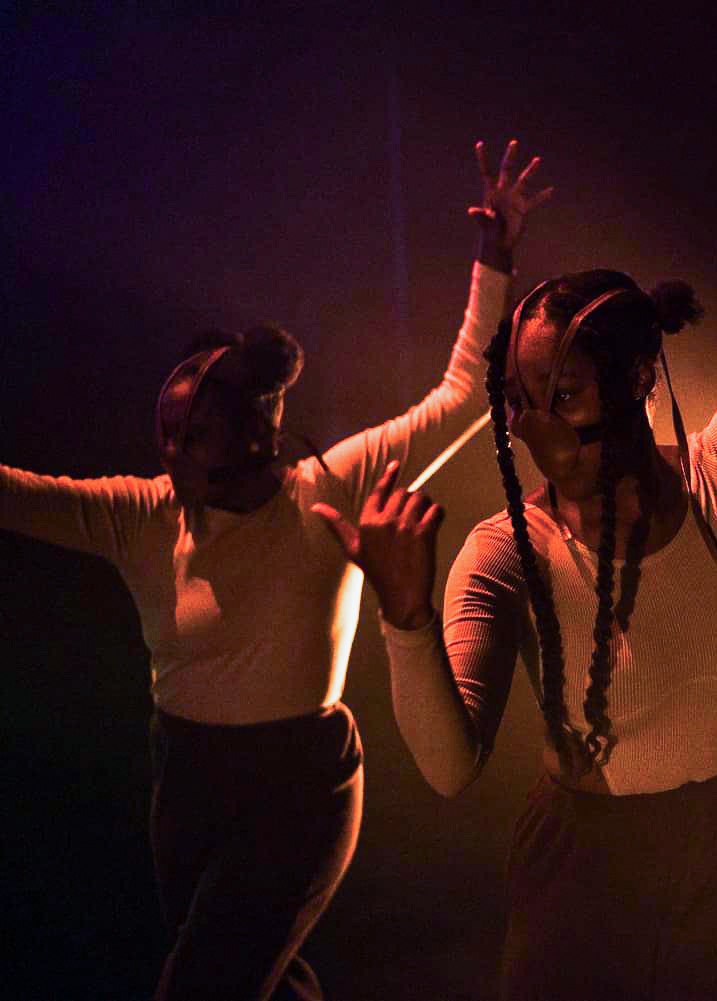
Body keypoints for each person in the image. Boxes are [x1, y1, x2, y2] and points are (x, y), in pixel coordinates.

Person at [314, 5, 717, 997]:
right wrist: (405, 620)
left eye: (565, 395)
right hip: (585, 875)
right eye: (521, 403)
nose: (536, 426)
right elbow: (453, 770)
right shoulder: (504, 550)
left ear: (633, 382)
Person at [0, 138, 551, 1001]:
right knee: (266, 982)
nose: (171, 452)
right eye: (167, 434)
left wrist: (496, 255)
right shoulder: (142, 514)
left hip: (301, 787)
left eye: (193, 435)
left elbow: (454, 398)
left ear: (255, 434)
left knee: (203, 989)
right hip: (185, 780)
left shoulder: (323, 490)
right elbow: (15, 494)